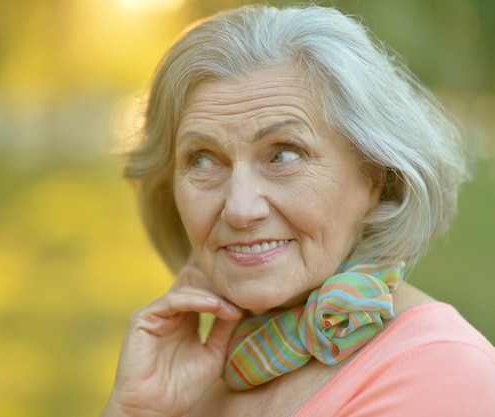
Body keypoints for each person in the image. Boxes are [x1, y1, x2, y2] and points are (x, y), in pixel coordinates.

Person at [101, 4, 495, 416]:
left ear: (376, 176)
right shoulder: (197, 375)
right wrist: (135, 411)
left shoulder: (438, 371)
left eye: (284, 154)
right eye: (202, 159)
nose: (240, 209)